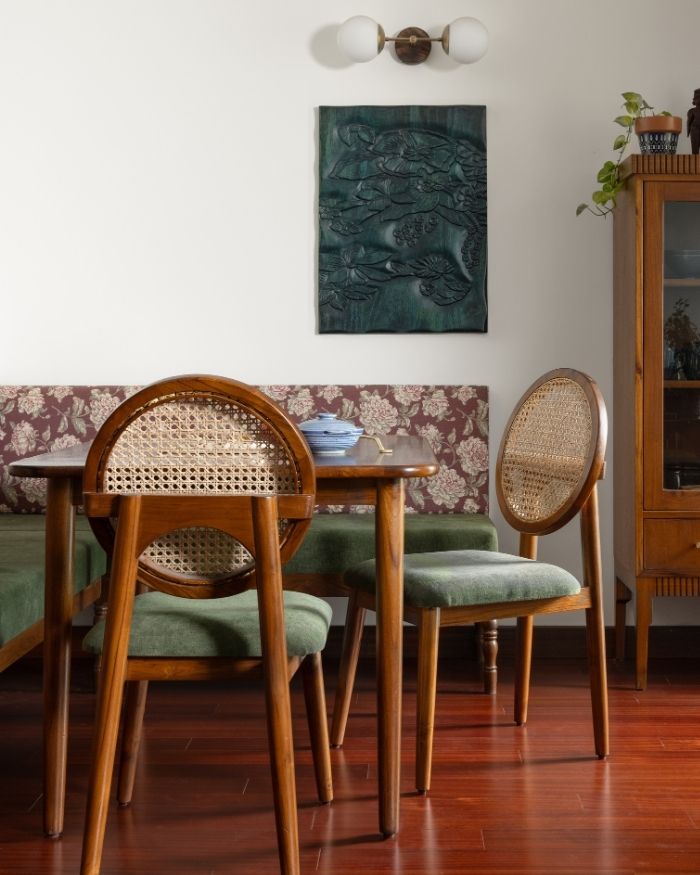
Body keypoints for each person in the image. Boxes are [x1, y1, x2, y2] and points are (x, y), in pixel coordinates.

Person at [687, 88, 700, 154]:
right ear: (694, 100)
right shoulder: (691, 111)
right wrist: (688, 131)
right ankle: (694, 162)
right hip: (694, 131)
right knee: (695, 150)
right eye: (697, 97)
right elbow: (689, 122)